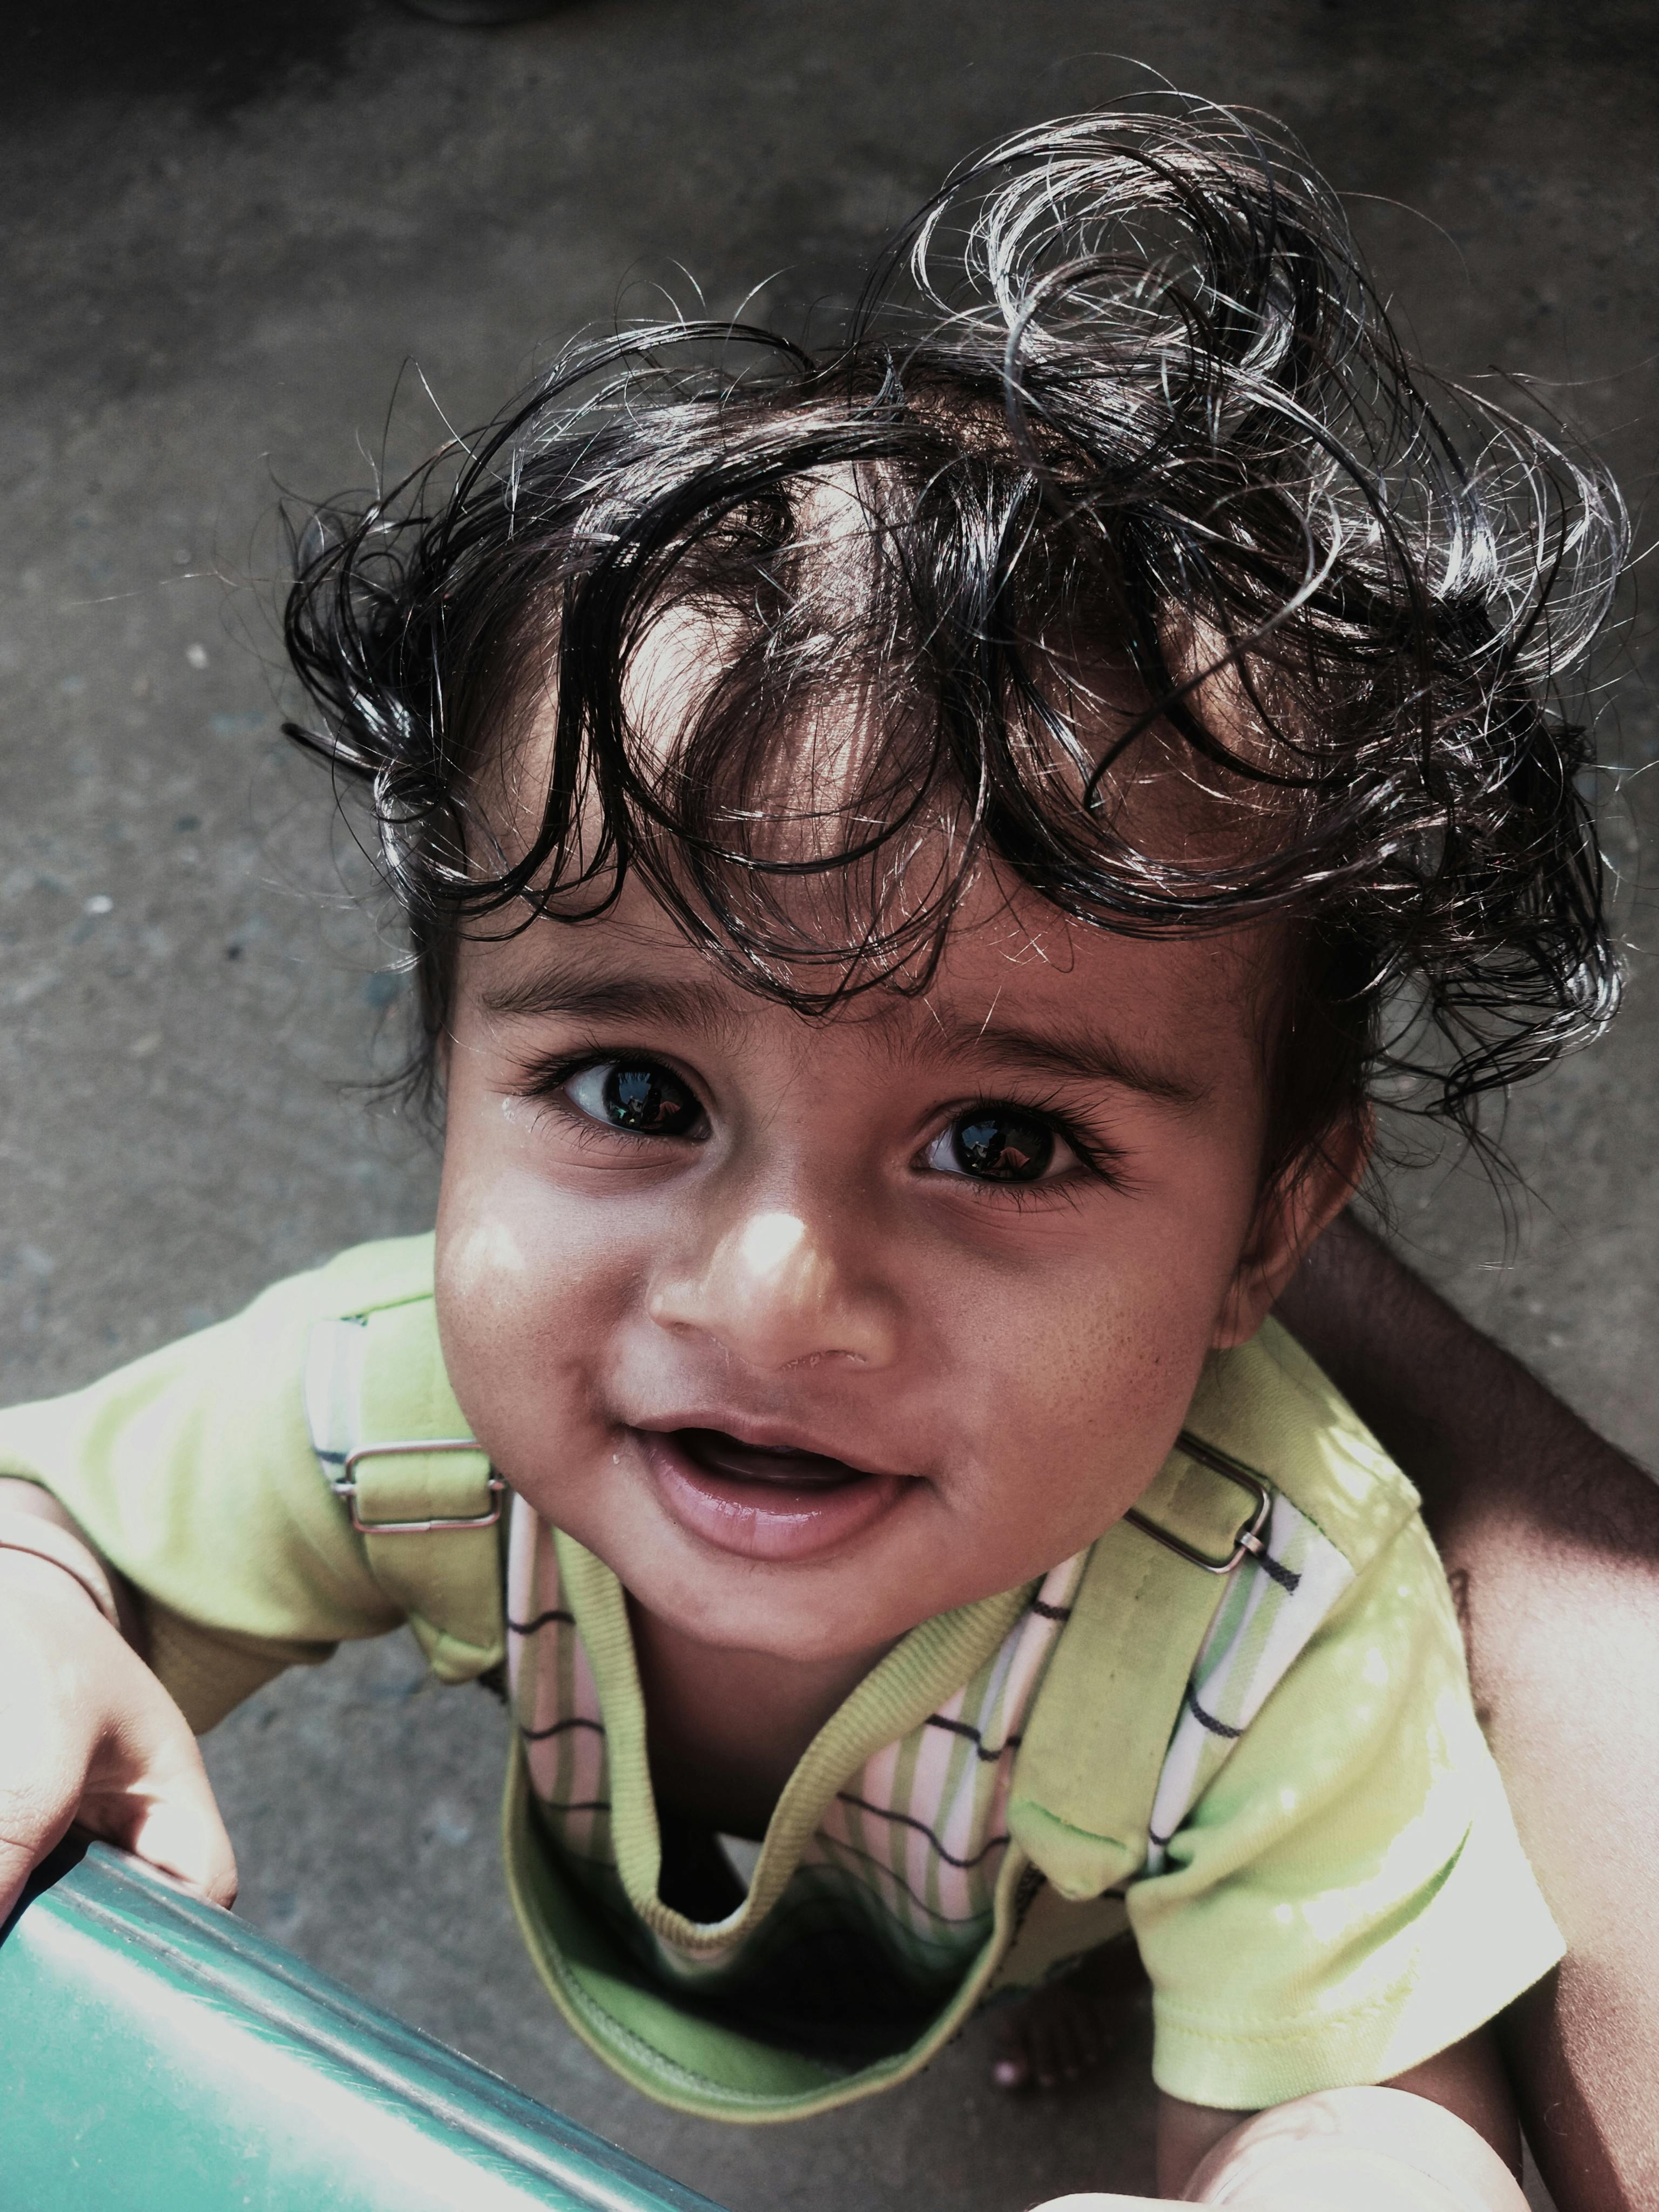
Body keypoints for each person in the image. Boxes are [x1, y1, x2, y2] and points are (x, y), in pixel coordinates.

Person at [0, 102, 1631, 2209]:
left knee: (1156, 1907)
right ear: (447, 1060)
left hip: (1084, 1841)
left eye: (1003, 1138)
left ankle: (1103, 1928)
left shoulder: (1264, 1620)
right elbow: (57, 1523)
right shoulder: (396, 1400)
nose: (768, 1292)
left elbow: (1383, 2101)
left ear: (1270, 1232)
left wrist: (1339, 2169)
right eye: (637, 1094)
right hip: (889, 1879)